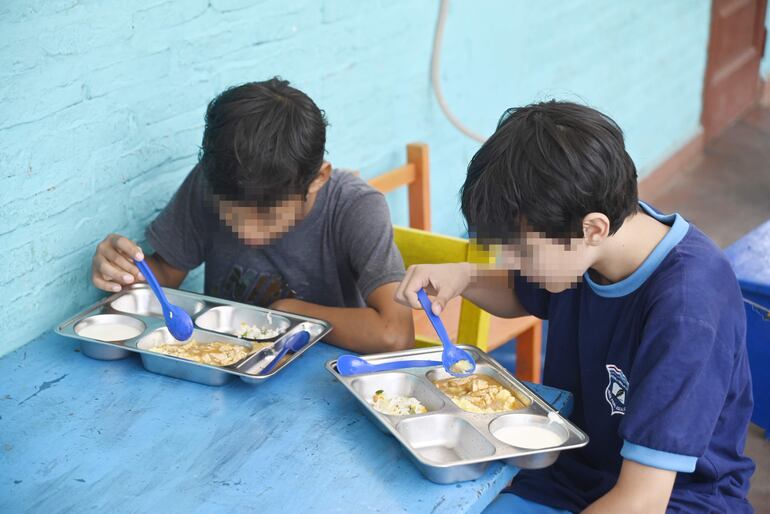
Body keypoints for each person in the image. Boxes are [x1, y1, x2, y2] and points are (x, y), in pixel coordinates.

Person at [395, 101, 754, 513]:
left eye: (522, 253)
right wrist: (464, 276)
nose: (512, 264)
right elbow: (521, 293)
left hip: (676, 499)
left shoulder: (687, 309)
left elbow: (642, 500)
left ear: (593, 228)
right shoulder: (588, 248)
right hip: (572, 473)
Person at [91, 77, 413, 353]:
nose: (248, 234)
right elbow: (164, 276)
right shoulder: (210, 182)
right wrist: (124, 272)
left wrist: (290, 313)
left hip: (322, 377)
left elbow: (394, 333)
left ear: (318, 179)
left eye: (269, 216)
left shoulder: (354, 207)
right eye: (231, 214)